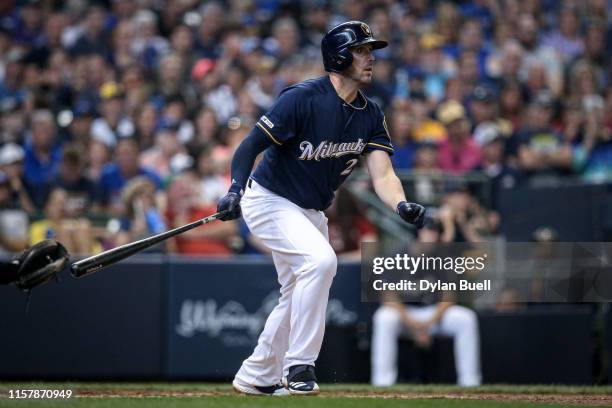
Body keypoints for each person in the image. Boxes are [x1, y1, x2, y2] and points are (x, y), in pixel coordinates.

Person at [216, 21, 426, 396]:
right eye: (362, 50)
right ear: (339, 55)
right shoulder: (303, 98)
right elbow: (249, 146)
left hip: (311, 212)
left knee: (296, 289)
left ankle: (256, 375)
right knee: (321, 262)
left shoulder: (370, 114)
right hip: (269, 199)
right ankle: (300, 365)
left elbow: (383, 175)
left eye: (370, 51)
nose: (370, 58)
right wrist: (234, 189)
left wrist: (401, 204)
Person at [371, 217, 482, 387]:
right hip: (405, 315)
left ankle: (470, 382)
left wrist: (427, 323)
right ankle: (382, 383)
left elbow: (448, 298)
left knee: (466, 319)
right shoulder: (397, 255)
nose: (432, 236)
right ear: (417, 232)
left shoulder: (444, 256)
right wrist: (414, 326)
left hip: (433, 314)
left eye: (435, 231)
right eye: (427, 230)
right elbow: (388, 297)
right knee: (384, 318)